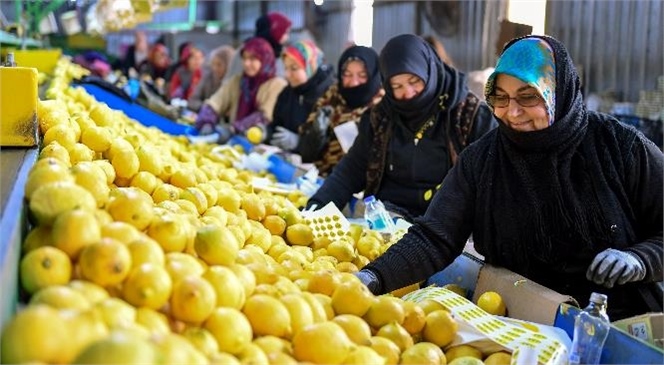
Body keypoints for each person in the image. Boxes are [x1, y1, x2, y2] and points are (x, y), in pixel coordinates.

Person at [355, 35, 664, 320]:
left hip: (616, 322)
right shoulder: (482, 160)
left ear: (558, 91)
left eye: (528, 96)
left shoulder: (620, 148)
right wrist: (372, 278)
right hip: (519, 317)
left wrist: (641, 259)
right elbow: (435, 237)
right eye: (500, 97)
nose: (511, 112)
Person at [306, 34, 497, 220]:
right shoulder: (381, 118)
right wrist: (315, 208)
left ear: (429, 72)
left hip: (445, 228)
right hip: (386, 220)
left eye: (414, 82)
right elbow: (350, 171)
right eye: (397, 87)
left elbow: (492, 184)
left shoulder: (469, 117)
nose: (408, 93)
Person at [297, 45, 384, 176]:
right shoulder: (330, 98)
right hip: (318, 179)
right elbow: (305, 154)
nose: (354, 82)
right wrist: (315, 135)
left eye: (362, 75)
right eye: (347, 74)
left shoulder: (383, 107)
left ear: (374, 75)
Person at [194, 37, 287, 140]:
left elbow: (264, 117)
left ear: (264, 59)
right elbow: (215, 102)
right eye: (244, 58)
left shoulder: (276, 84)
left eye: (253, 59)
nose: (247, 63)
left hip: (262, 144)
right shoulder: (238, 81)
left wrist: (234, 129)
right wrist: (207, 121)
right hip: (236, 142)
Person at [268, 40, 335, 152]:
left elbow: (331, 144)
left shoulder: (330, 96)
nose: (287, 74)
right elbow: (276, 125)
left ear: (311, 66)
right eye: (286, 68)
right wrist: (267, 132)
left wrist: (299, 142)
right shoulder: (287, 92)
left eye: (294, 68)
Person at [225, 11, 292, 82]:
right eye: (285, 33)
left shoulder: (281, 52)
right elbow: (231, 80)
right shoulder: (247, 50)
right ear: (275, 32)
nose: (287, 38)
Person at [188, 46, 236, 112]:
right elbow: (193, 100)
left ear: (228, 65)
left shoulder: (235, 82)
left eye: (219, 65)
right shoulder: (208, 77)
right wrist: (206, 108)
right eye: (213, 64)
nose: (215, 68)